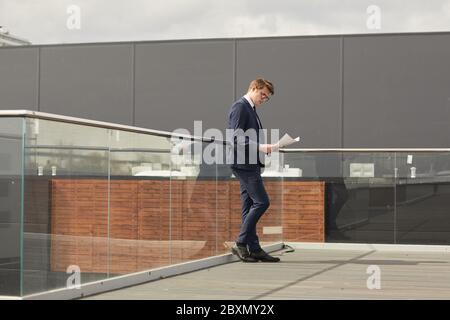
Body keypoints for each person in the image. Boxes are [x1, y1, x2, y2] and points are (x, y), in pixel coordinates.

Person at [227, 78, 280, 262]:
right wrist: (261, 147)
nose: (263, 99)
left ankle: (254, 248)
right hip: (243, 165)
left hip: (250, 164)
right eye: (262, 94)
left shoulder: (251, 108)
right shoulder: (240, 107)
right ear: (253, 88)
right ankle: (241, 243)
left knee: (248, 206)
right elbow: (236, 138)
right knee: (262, 202)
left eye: (267, 98)